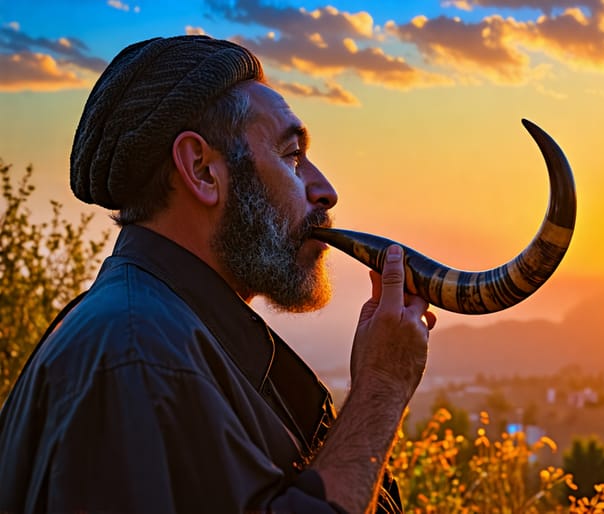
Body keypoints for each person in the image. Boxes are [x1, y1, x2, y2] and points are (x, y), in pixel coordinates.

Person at [0, 35, 436, 513]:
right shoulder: (135, 352)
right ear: (203, 170)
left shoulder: (166, 333)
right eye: (292, 156)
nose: (325, 190)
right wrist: (380, 387)